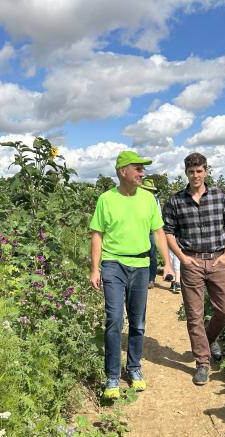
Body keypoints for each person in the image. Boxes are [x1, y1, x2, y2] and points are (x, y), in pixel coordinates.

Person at [89, 150, 174, 400]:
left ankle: (134, 368)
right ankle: (112, 376)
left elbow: (158, 232)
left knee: (137, 322)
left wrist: (167, 264)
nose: (142, 173)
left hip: (140, 265)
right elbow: (97, 234)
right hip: (113, 264)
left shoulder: (148, 199)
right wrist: (95, 269)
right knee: (114, 319)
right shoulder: (106, 199)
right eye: (137, 168)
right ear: (122, 171)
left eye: (142, 168)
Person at [163, 152, 225, 386]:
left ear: (206, 171)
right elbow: (168, 232)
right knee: (194, 315)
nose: (195, 175)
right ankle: (202, 363)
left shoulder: (221, 197)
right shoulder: (175, 201)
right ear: (186, 172)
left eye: (199, 171)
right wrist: (182, 259)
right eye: (191, 171)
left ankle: (209, 338)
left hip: (217, 261)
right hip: (192, 263)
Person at [140, 178, 160, 289]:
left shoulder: (155, 201)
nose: (148, 192)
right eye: (146, 189)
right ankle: (142, 278)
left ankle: (151, 279)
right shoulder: (136, 199)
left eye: (150, 190)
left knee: (152, 255)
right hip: (140, 230)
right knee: (141, 254)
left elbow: (159, 217)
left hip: (152, 231)